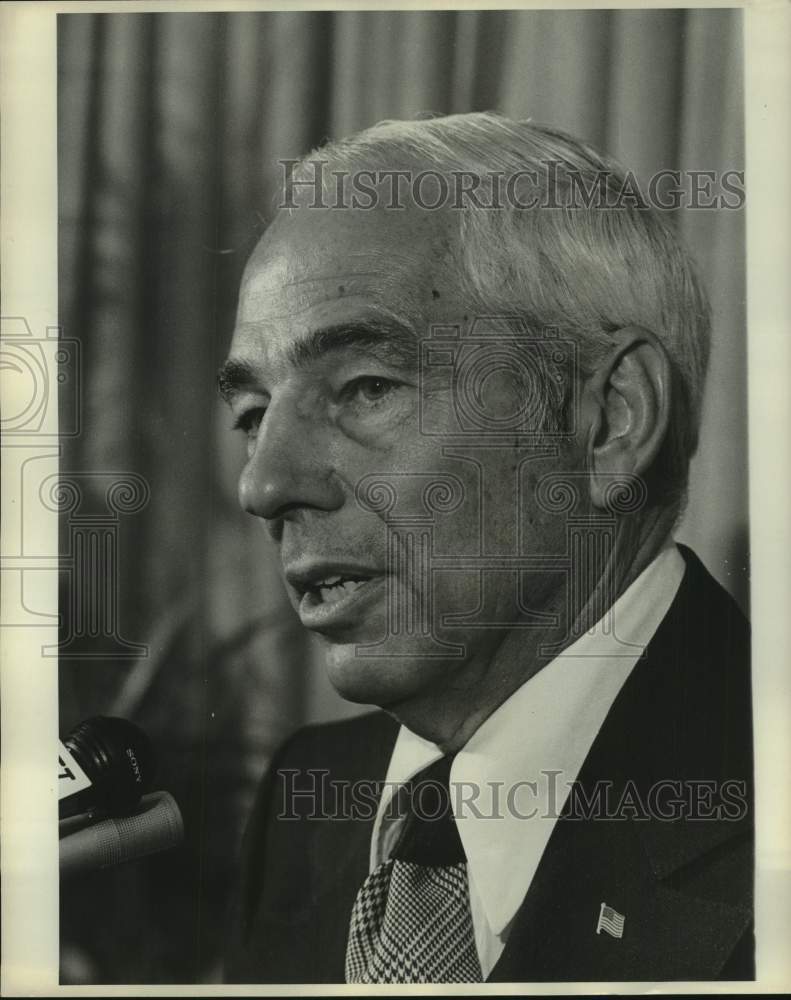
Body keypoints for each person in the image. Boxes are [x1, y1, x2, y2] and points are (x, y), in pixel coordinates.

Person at [219, 113, 753, 983]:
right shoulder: (308, 801)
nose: (264, 486)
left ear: (609, 421)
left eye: (365, 388)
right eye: (251, 416)